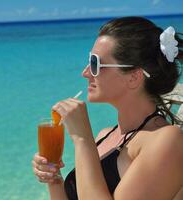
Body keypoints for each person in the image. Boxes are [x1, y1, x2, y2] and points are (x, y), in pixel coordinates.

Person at [32, 16, 183, 199]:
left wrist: (82, 139)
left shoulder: (168, 140)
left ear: (133, 77)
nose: (85, 72)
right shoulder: (105, 136)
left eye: (95, 63)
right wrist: (53, 178)